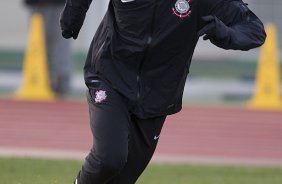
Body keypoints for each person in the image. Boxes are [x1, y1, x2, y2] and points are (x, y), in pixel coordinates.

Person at [60, 0, 266, 183]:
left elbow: (254, 30)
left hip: (158, 94)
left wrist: (225, 33)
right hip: (109, 77)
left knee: (123, 178)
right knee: (109, 158)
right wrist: (73, 15)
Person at [24, 0, 72, 96]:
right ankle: (41, 80)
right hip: (37, 5)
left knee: (59, 45)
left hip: (59, 4)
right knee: (38, 46)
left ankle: (60, 82)